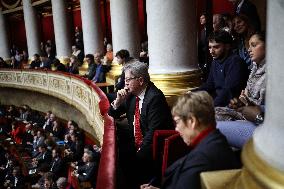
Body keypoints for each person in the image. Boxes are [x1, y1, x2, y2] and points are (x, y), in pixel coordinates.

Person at [141, 92, 240, 189]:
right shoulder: (217, 141)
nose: (176, 129)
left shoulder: (202, 160)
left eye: (177, 122)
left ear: (192, 121)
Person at [109, 61, 174, 187]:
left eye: (128, 79)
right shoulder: (132, 95)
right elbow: (112, 114)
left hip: (152, 149)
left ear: (140, 80)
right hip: (136, 143)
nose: (125, 83)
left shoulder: (155, 98)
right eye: (124, 79)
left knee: (127, 167)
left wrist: (138, 154)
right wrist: (117, 102)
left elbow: (153, 133)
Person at [216, 32, 266, 148]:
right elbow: (247, 96)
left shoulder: (275, 72)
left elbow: (269, 110)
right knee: (209, 114)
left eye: (254, 45)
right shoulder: (255, 68)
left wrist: (255, 112)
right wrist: (242, 103)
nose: (249, 49)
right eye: (249, 46)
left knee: (211, 125)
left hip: (262, 123)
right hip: (249, 113)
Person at [192, 31, 248, 107]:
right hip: (218, 101)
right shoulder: (215, 61)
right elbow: (209, 85)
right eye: (210, 47)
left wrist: (212, 107)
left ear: (227, 46)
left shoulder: (235, 62)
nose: (211, 51)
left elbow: (228, 92)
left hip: (231, 105)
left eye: (216, 47)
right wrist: (192, 94)